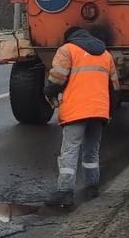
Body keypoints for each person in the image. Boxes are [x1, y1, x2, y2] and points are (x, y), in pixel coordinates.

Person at [43, 26, 119, 209]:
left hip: (76, 110)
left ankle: (65, 193)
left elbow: (56, 79)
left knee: (70, 151)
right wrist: (108, 111)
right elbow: (115, 87)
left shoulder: (67, 50)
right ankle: (92, 188)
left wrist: (48, 91)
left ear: (69, 38)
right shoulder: (106, 55)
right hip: (99, 111)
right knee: (91, 150)